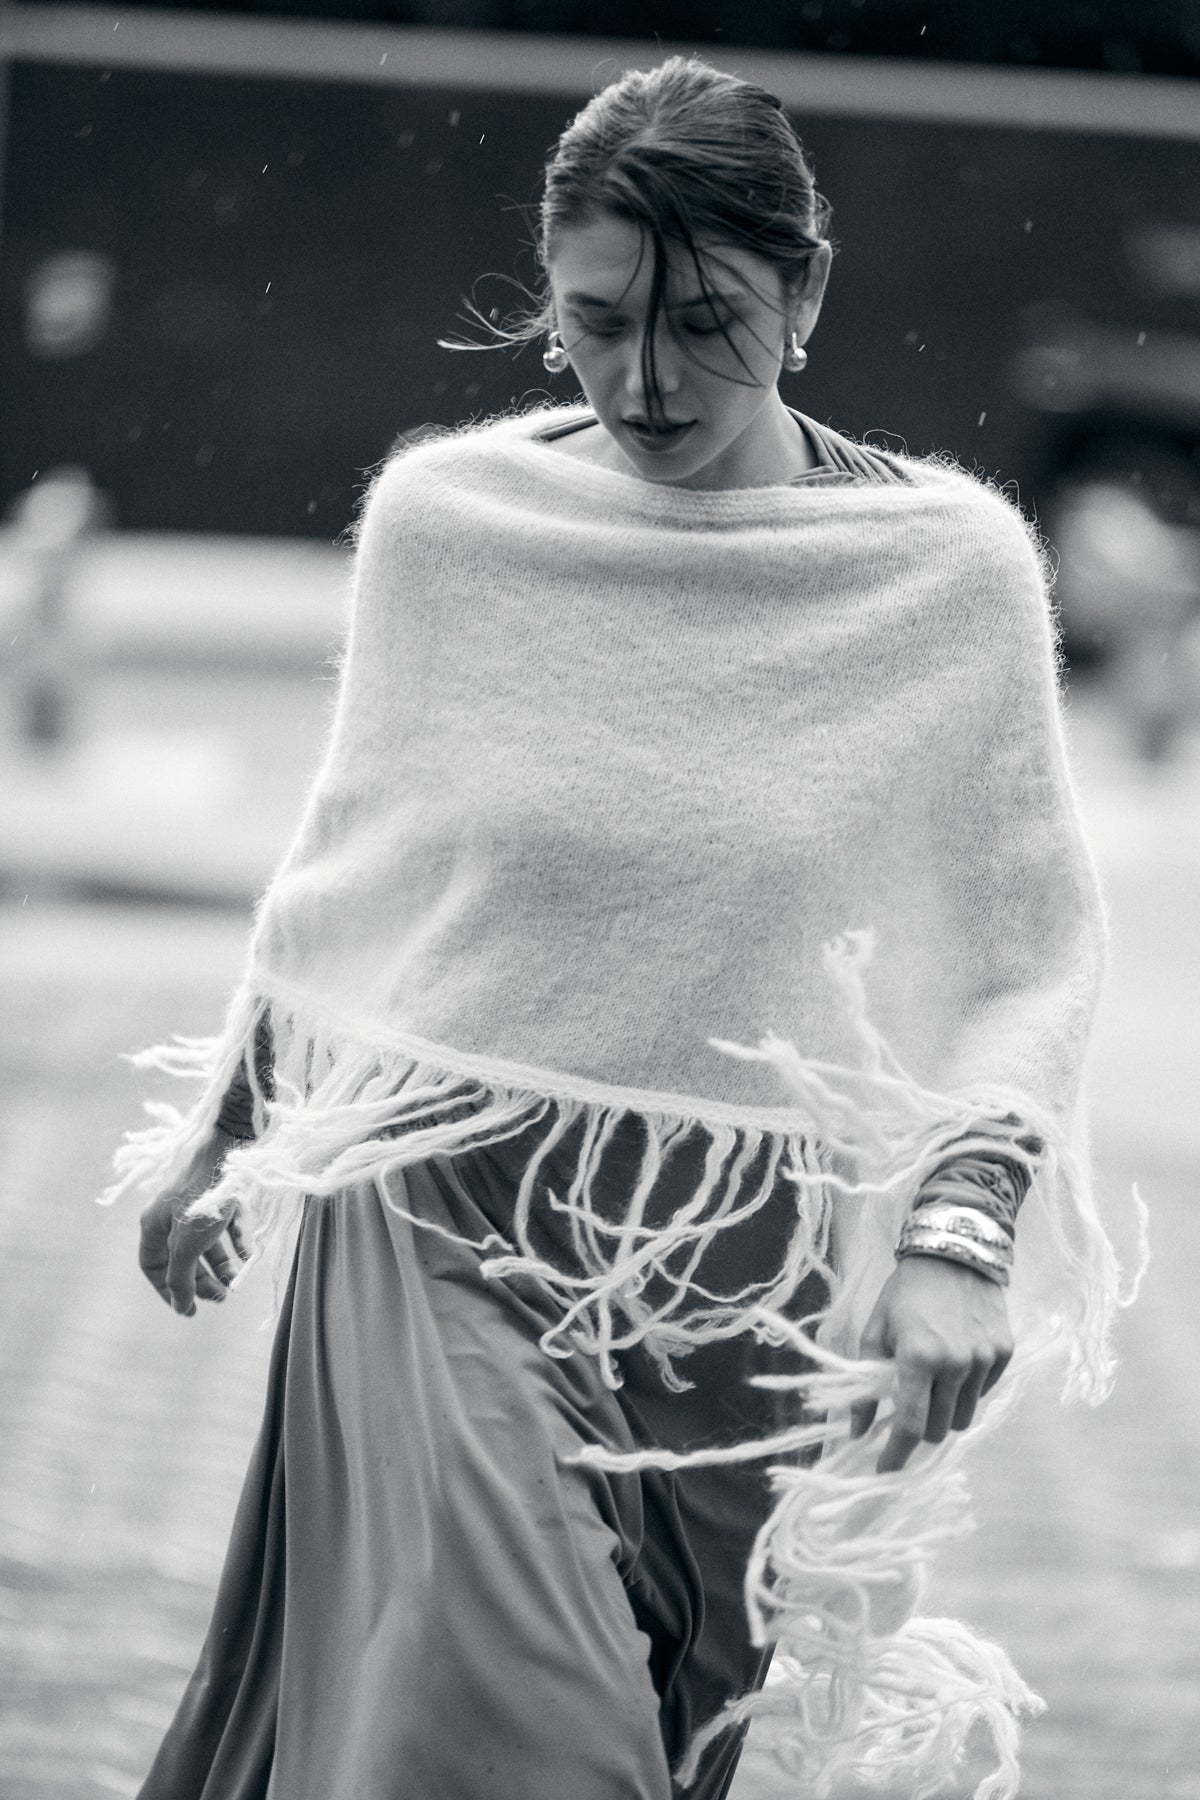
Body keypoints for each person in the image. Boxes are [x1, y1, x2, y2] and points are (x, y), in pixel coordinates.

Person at [108, 54, 1131, 1800]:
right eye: (597, 321)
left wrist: (958, 1237)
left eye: (709, 320)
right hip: (435, 1217)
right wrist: (227, 1139)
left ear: (807, 293)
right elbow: (359, 867)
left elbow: (1031, 949)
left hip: (745, 1288)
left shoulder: (945, 575)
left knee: (655, 1744)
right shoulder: (452, 524)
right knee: (512, 1741)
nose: (649, 379)